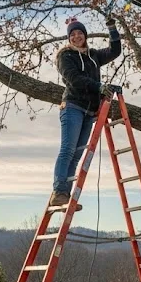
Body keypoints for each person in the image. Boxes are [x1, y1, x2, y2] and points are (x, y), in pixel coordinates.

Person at [50, 15, 121, 209]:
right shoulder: (65, 56)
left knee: (77, 154)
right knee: (68, 149)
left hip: (89, 112)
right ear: (69, 38)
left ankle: (66, 196)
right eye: (72, 34)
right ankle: (59, 190)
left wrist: (112, 28)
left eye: (80, 33)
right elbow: (74, 79)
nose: (76, 36)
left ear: (85, 35)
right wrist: (98, 87)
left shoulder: (93, 55)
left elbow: (115, 51)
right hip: (72, 106)